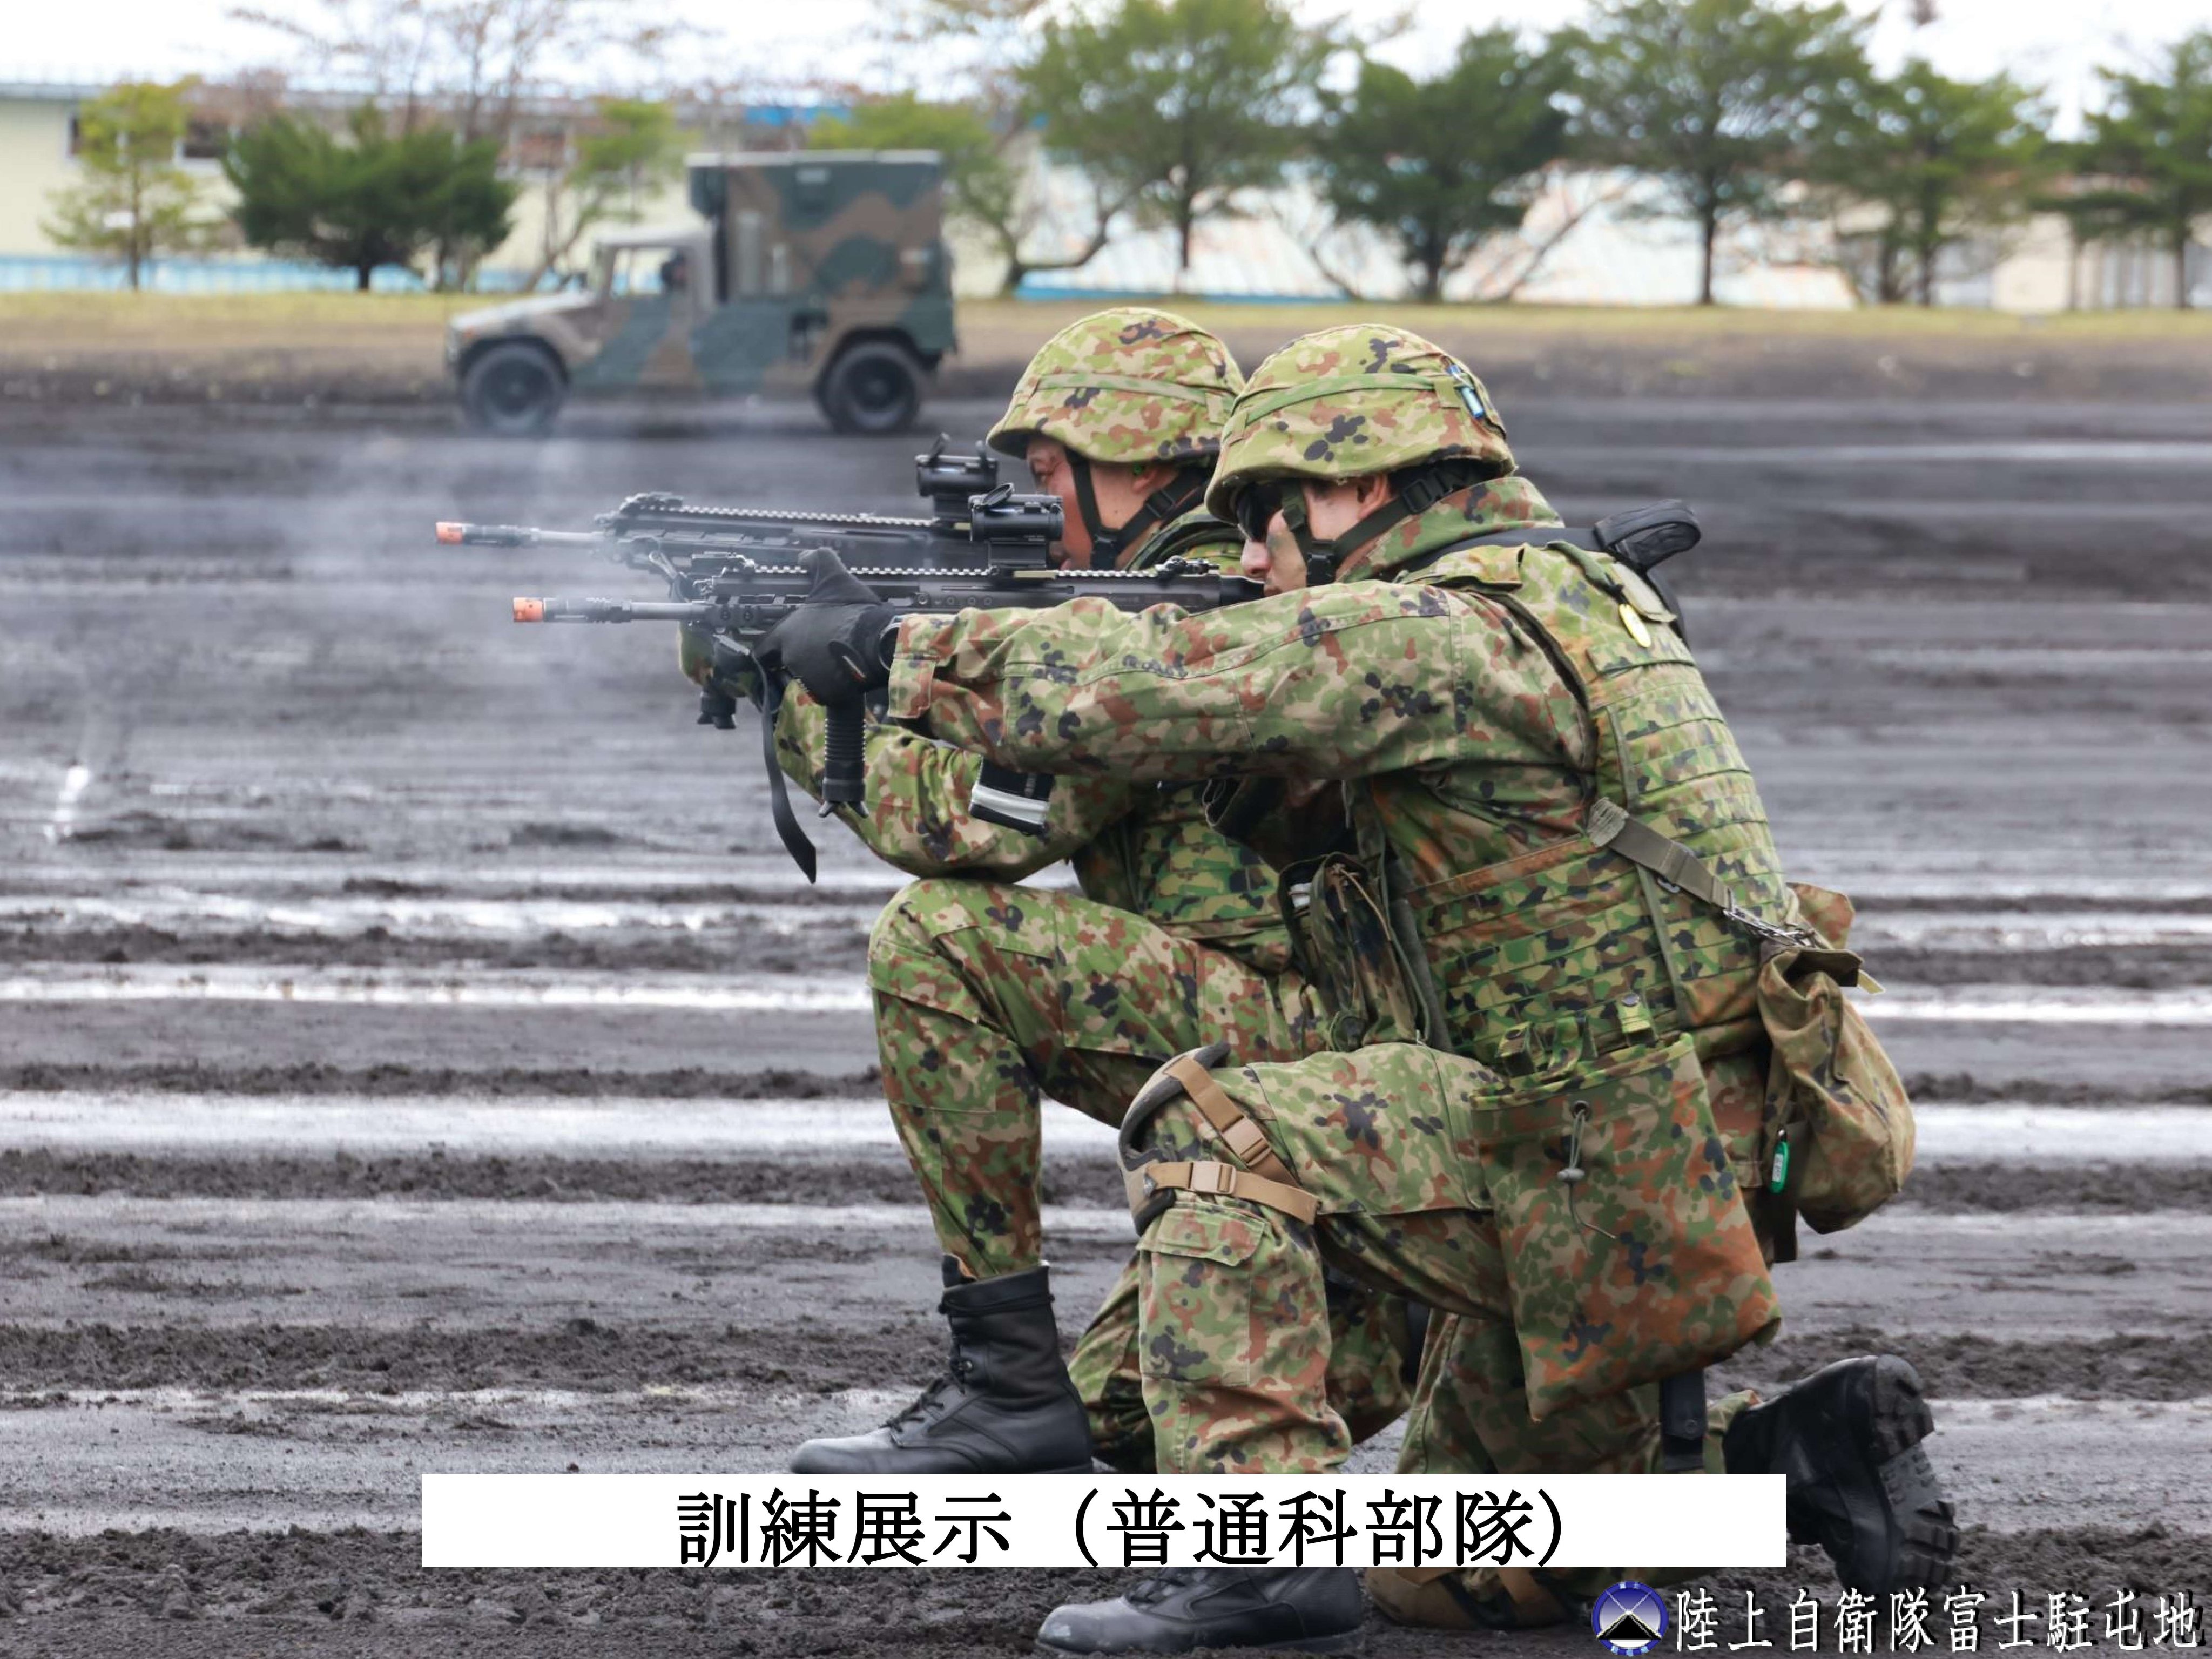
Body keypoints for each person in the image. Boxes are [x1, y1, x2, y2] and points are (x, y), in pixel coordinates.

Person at [758, 324, 1958, 1650]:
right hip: (1636, 1154)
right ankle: (1794, 1459)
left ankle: (1254, 1564)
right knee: (1456, 1569)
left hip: (1584, 1153)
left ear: (1357, 488)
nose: (1254, 559)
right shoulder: (1558, 599)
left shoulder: (1449, 628)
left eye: (1267, 517)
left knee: (1217, 1132)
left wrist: (892, 652)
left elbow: (1157, 683)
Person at [691, 307, 1417, 1476]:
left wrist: (805, 699)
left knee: (939, 944)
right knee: (1117, 1427)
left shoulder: (1183, 608)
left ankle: (1002, 1378)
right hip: (1328, 1071)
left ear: (1131, 456)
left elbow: (981, 827)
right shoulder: (1181, 580)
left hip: (1317, 1050)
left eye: (1044, 470)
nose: (1030, 499)